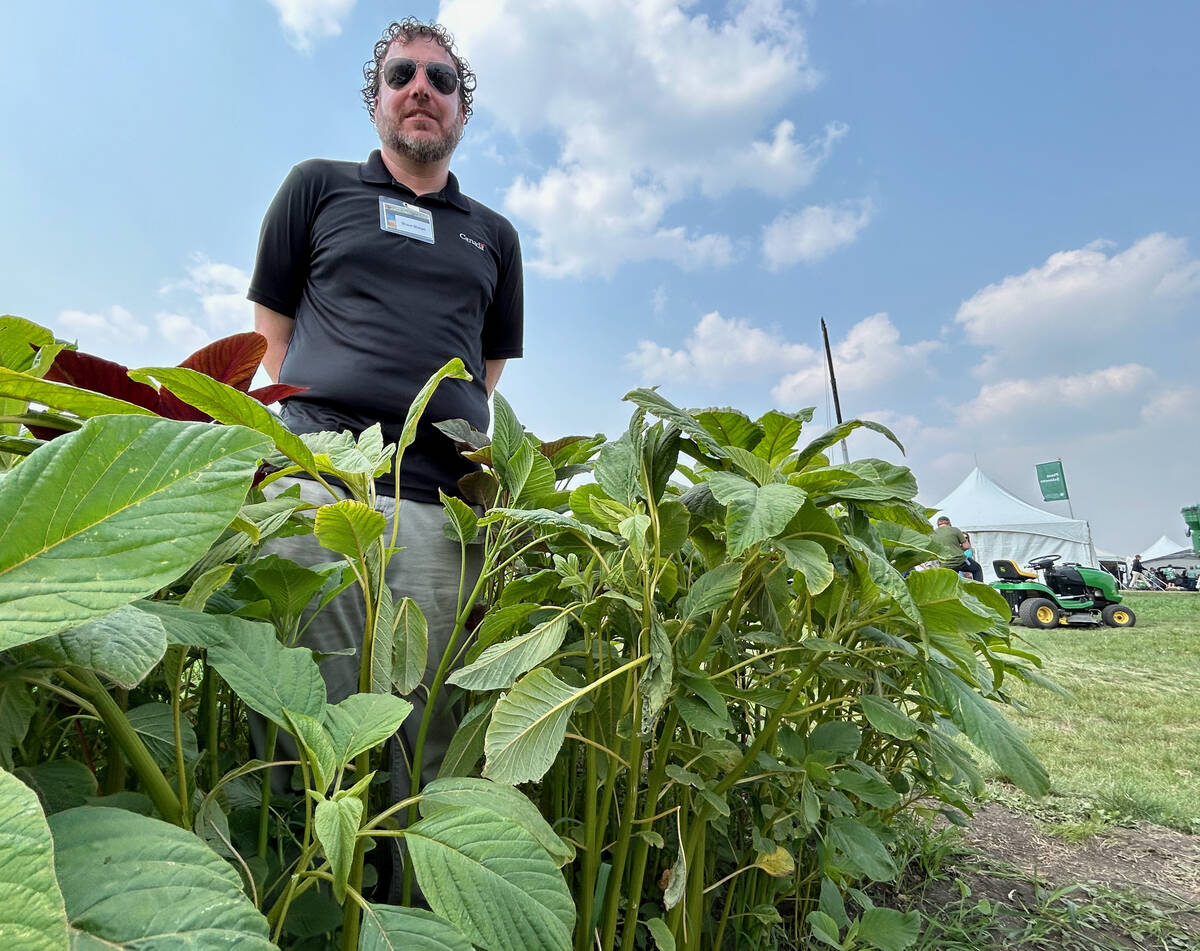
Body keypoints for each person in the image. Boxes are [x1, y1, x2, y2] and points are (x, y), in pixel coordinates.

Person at [246, 17, 523, 896]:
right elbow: (273, 338)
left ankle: (410, 907)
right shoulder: (317, 189)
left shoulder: (493, 235)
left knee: (429, 737)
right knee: (305, 720)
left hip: (443, 505)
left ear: (460, 111)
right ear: (377, 96)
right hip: (326, 484)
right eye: (403, 73)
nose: (422, 89)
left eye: (442, 81)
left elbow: (484, 371)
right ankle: (308, 901)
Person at [932, 515, 984, 582]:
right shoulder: (955, 530)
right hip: (960, 561)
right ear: (949, 523)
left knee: (953, 582)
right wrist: (958, 548)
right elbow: (967, 546)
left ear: (938, 524)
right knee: (977, 568)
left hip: (945, 564)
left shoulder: (933, 534)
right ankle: (979, 590)